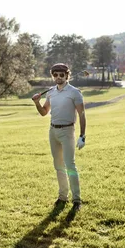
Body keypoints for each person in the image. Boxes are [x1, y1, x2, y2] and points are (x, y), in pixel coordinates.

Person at [32, 63, 86, 211]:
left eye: (61, 74)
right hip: (53, 131)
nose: (58, 77)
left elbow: (81, 114)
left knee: (70, 165)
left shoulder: (75, 92)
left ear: (67, 75)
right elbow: (44, 112)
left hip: (68, 131)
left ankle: (76, 200)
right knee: (58, 166)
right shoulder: (50, 93)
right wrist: (37, 103)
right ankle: (63, 196)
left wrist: (82, 135)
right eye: (55, 74)